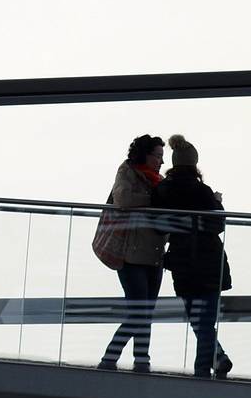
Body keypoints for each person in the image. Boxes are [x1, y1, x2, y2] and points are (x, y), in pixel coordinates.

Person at [152, 135, 233, 379]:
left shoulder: (163, 190)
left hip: (181, 260)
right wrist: (217, 203)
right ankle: (204, 371)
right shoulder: (203, 191)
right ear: (195, 164)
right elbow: (217, 224)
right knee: (205, 318)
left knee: (198, 319)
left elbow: (157, 224)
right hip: (209, 259)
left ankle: (216, 360)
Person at [99, 134, 167, 372]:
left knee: (145, 311)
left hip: (155, 254)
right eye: (158, 156)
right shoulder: (128, 171)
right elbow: (123, 199)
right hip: (131, 255)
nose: (161, 161)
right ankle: (110, 357)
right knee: (139, 310)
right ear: (145, 155)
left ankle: (141, 360)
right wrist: (153, 200)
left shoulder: (159, 180)